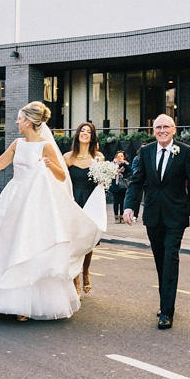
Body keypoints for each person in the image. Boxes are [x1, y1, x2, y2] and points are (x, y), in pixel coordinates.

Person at [0, 101, 104, 321]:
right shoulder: (17, 143)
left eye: (19, 118)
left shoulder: (46, 146)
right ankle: (7, 298)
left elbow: (62, 176)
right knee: (8, 244)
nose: (17, 122)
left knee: (29, 246)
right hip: (15, 198)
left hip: (35, 202)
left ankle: (28, 303)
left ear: (29, 121)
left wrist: (49, 165)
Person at [123, 115, 190, 330]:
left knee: (171, 259)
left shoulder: (186, 151)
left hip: (176, 215)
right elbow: (136, 181)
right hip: (153, 214)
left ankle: (167, 312)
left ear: (174, 129)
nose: (162, 130)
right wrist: (128, 206)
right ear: (153, 131)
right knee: (160, 261)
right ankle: (166, 303)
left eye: (166, 127)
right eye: (158, 127)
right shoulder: (146, 151)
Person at [62, 122, 106, 296]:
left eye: (88, 131)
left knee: (88, 243)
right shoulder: (68, 157)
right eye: (82, 130)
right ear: (77, 134)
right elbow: (61, 180)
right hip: (73, 202)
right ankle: (76, 280)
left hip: (90, 202)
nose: (85, 133)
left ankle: (86, 272)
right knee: (73, 242)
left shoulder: (98, 157)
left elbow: (102, 182)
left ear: (92, 136)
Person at [108, 150, 130, 224]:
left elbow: (130, 171)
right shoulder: (113, 164)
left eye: (121, 156)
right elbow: (109, 172)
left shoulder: (125, 164)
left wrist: (124, 164)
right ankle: (116, 217)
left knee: (122, 201)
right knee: (116, 201)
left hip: (123, 185)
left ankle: (122, 216)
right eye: (118, 156)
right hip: (115, 184)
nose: (120, 157)